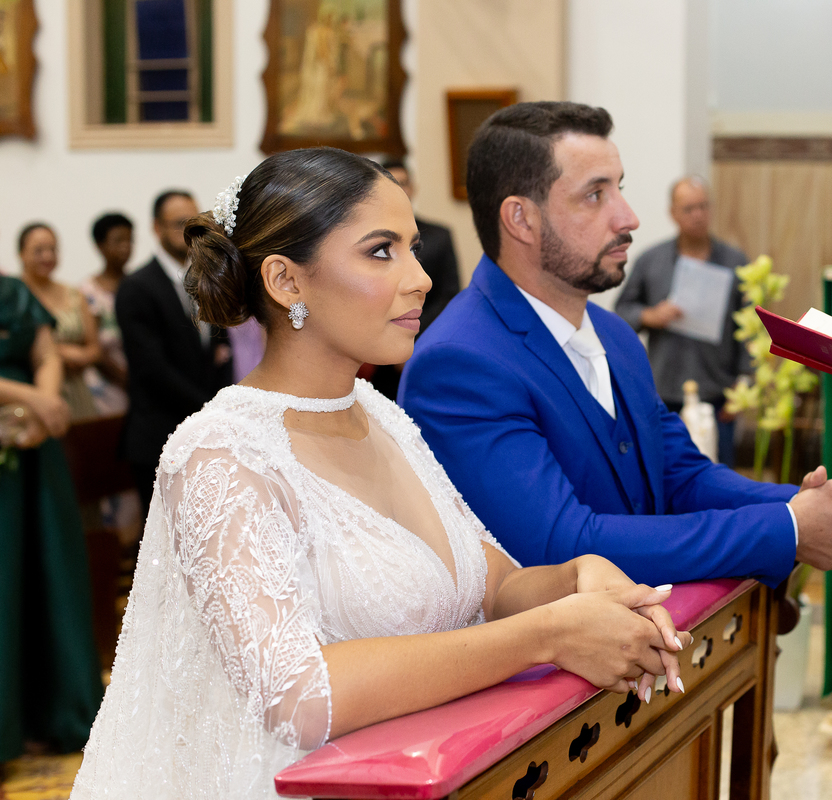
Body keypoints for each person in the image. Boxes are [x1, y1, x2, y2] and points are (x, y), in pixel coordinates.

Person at [70, 147, 689, 800]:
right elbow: (297, 696)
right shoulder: (220, 453)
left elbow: (492, 583)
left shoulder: (382, 415)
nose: (421, 278)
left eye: (413, 249)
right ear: (286, 281)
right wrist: (547, 636)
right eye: (381, 251)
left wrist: (575, 579)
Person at [399, 102, 832, 589]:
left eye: (620, 188)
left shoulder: (617, 335)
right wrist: (787, 528)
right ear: (521, 219)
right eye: (595, 195)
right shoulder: (460, 363)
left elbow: (680, 475)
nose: (629, 218)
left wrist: (803, 506)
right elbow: (563, 546)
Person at [0, 273, 103, 763]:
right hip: (15, 424)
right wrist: (34, 400)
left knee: (54, 570)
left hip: (36, 449)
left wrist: (43, 404)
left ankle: (62, 712)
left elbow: (46, 356)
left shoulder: (14, 292)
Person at [615, 177, 748, 467]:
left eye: (703, 206)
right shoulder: (651, 260)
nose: (697, 215)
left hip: (718, 393)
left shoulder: (735, 262)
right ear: (673, 213)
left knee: (719, 473)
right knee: (666, 472)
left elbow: (750, 330)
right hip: (665, 393)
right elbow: (621, 311)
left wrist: (744, 387)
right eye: (688, 209)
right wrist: (650, 316)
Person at [116, 190, 232, 512]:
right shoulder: (137, 287)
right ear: (157, 228)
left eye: (196, 223)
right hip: (160, 433)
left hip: (208, 431)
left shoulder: (209, 278)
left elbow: (222, 346)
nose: (190, 232)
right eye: (181, 223)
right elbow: (152, 368)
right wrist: (209, 407)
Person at [367, 159, 461, 400]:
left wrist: (413, 336)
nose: (400, 190)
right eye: (392, 184)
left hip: (430, 340)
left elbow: (448, 295)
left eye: (404, 183)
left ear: (413, 187)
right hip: (381, 352)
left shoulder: (439, 235)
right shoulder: (369, 241)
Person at [18, 223, 102, 421]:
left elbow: (95, 348)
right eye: (39, 250)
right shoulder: (13, 297)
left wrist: (81, 356)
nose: (47, 256)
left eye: (53, 249)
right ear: (21, 254)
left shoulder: (73, 294)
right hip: (31, 391)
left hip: (77, 392)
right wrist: (58, 353)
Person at [81, 212, 134, 415]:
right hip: (105, 388)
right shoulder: (88, 292)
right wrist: (125, 379)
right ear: (100, 245)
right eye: (118, 240)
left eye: (129, 240)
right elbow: (92, 344)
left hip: (144, 383)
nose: (126, 246)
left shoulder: (140, 286)